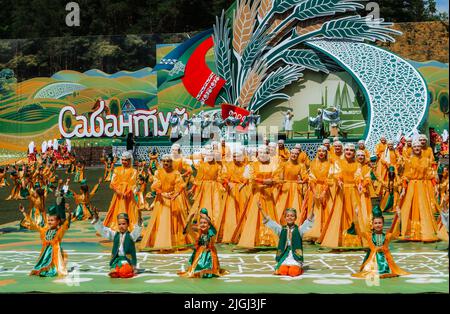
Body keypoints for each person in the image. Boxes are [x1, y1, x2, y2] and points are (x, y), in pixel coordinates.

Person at [139, 154, 192, 251]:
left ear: (171, 162)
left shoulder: (176, 173)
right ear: (161, 162)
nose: (166, 163)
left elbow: (180, 186)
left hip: (172, 199)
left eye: (168, 161)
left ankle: (172, 241)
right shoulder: (158, 172)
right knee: (161, 219)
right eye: (164, 161)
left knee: (174, 220)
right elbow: (155, 186)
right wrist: (163, 194)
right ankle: (160, 241)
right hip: (162, 200)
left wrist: (174, 195)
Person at [318, 143, 365, 249]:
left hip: (354, 191)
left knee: (355, 214)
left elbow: (358, 175)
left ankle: (355, 239)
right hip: (342, 191)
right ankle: (340, 239)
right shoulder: (339, 162)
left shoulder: (357, 164)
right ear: (344, 151)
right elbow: (335, 173)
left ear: (354, 153)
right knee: (341, 214)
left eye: (351, 150)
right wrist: (338, 180)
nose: (349, 152)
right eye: (347, 150)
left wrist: (359, 184)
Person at [232, 145, 279, 248]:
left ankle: (269, 238)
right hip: (257, 193)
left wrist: (271, 182)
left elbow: (277, 177)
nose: (263, 154)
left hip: (268, 194)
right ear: (258, 154)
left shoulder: (273, 164)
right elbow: (252, 178)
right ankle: (256, 238)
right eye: (261, 152)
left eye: (265, 152)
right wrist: (264, 181)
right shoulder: (253, 165)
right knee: (255, 215)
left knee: (269, 214)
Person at [396, 140, 439, 242]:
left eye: (418, 147)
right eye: (415, 147)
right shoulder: (408, 160)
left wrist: (435, 187)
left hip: (423, 187)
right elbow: (405, 176)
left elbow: (430, 175)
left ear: (421, 148)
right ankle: (412, 230)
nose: (417, 148)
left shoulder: (426, 160)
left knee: (424, 208)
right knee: (411, 207)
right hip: (412, 186)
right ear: (412, 148)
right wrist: (403, 189)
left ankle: (425, 230)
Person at [352, 206, 410, 279]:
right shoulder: (369, 236)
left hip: (385, 260)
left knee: (388, 270)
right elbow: (358, 231)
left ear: (383, 224)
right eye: (375, 223)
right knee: (369, 271)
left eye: (380, 223)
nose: (378, 225)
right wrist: (356, 216)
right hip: (372, 262)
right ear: (372, 225)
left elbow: (396, 232)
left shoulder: (387, 236)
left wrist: (399, 217)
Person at [20, 203, 72, 277]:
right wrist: (24, 212)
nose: (50, 222)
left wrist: (69, 211)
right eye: (49, 220)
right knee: (43, 262)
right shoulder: (45, 230)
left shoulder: (60, 230)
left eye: (52, 220)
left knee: (55, 266)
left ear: (58, 222)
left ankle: (52, 270)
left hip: (55, 251)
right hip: (46, 250)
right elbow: (34, 224)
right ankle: (44, 269)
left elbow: (67, 223)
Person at [260, 204, 313, 276]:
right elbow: (271, 223)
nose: (290, 218)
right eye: (287, 216)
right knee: (283, 271)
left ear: (295, 218)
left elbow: (308, 222)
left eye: (292, 216)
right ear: (285, 218)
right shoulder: (281, 229)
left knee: (293, 272)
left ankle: (298, 268)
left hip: (295, 257)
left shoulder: (299, 230)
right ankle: (285, 266)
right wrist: (261, 209)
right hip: (284, 255)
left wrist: (312, 207)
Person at [179, 208, 227, 278]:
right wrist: (190, 219)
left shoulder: (211, 233)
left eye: (205, 223)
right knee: (197, 264)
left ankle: (208, 272)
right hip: (200, 252)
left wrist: (205, 217)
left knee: (211, 264)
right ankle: (199, 271)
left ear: (209, 225)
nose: (202, 225)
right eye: (201, 223)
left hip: (210, 253)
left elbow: (214, 230)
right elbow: (188, 228)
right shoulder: (199, 233)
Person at [93, 212, 143, 278]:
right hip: (117, 260)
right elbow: (104, 231)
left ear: (128, 224)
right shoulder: (115, 235)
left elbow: (137, 231)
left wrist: (139, 222)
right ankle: (116, 270)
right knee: (115, 268)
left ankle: (124, 270)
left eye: (123, 224)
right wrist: (97, 220)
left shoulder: (131, 236)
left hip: (128, 260)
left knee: (125, 270)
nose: (121, 226)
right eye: (119, 224)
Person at [217, 149, 250, 243]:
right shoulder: (229, 165)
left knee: (242, 210)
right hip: (231, 191)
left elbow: (247, 179)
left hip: (242, 190)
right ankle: (230, 234)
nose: (236, 158)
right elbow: (224, 176)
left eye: (238, 156)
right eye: (234, 156)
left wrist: (242, 185)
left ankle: (242, 234)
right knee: (231, 211)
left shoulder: (246, 167)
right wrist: (228, 183)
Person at [303, 145, 334, 242]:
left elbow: (330, 178)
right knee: (314, 210)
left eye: (323, 151)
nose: (321, 153)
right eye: (319, 151)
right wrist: (315, 192)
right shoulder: (313, 163)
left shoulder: (330, 164)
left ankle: (325, 232)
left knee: (326, 210)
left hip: (327, 190)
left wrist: (324, 192)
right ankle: (314, 232)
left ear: (326, 153)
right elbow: (311, 178)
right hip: (314, 190)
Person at [103, 151, 139, 231]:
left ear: (130, 160)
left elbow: (132, 184)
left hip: (128, 195)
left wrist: (126, 192)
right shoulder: (117, 169)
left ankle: (130, 227)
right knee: (116, 209)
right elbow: (113, 183)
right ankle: (117, 226)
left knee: (130, 210)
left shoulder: (134, 171)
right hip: (118, 195)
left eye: (126, 160)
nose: (124, 162)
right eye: (122, 160)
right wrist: (118, 191)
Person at [274, 148, 308, 225]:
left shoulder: (301, 165)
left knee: (295, 205)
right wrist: (280, 181)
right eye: (292, 153)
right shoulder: (284, 164)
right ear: (290, 154)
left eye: (296, 154)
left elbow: (305, 176)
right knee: (283, 204)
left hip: (296, 187)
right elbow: (277, 175)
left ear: (298, 155)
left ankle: (295, 222)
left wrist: (303, 180)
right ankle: (282, 222)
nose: (294, 155)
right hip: (285, 187)